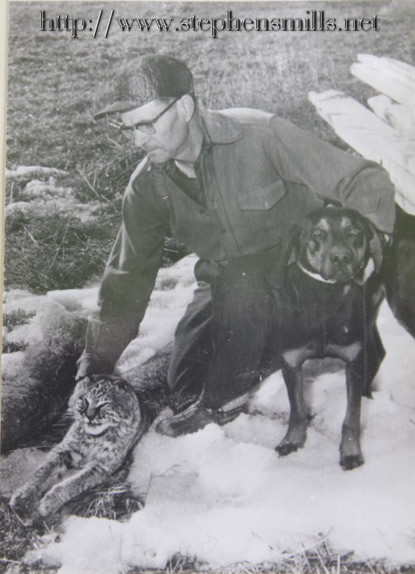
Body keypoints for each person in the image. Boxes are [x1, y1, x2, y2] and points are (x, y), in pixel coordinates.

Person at [76, 54, 395, 436]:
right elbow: (127, 278)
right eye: (129, 129)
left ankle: (227, 401)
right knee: (186, 381)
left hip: (307, 279)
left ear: (186, 107)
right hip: (228, 292)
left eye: (147, 125)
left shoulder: (260, 135)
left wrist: (369, 260)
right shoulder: (146, 187)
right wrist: (94, 365)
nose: (137, 140)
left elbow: (363, 180)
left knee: (234, 322)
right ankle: (279, 356)